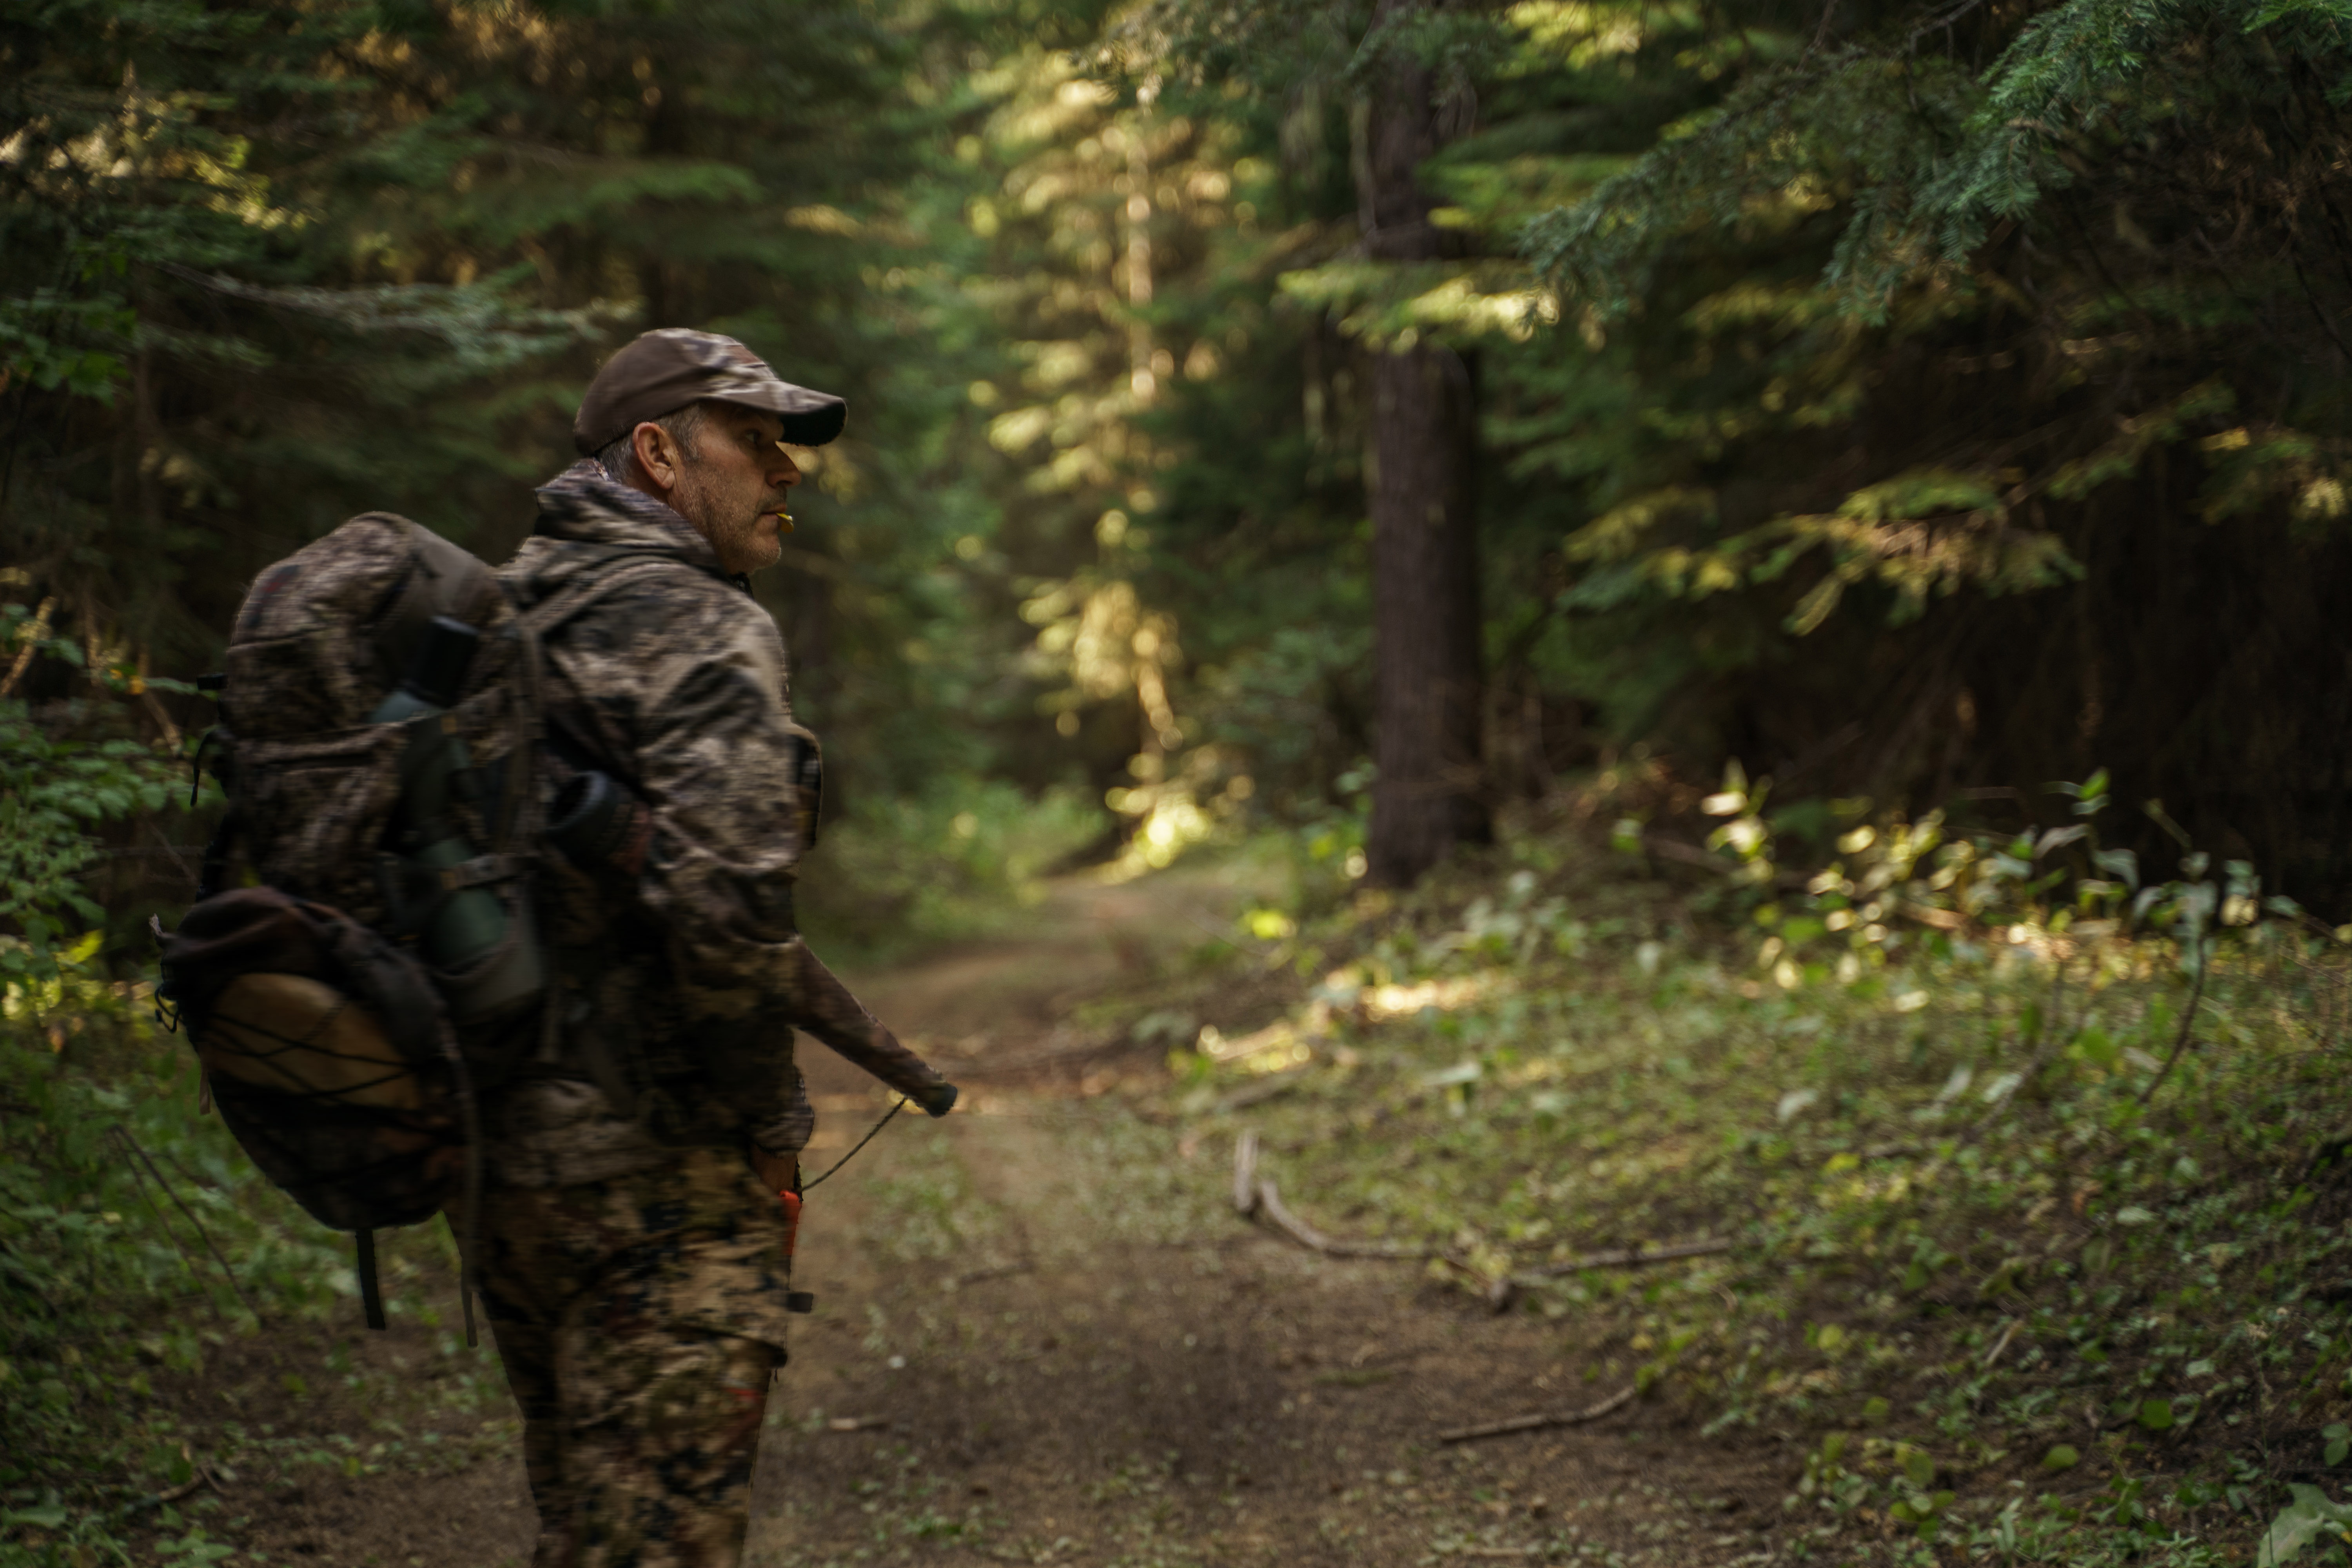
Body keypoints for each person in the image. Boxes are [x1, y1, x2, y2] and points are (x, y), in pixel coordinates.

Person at [476, 327, 955, 1567]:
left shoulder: (500, 608)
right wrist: (759, 1135)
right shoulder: (703, 627)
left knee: (584, 1517)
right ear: (658, 454)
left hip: (506, 1181)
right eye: (756, 440)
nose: (787, 470)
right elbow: (736, 935)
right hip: (667, 1179)